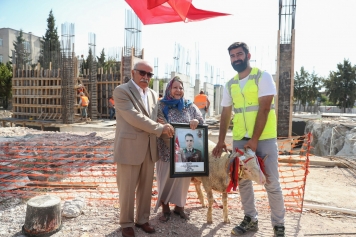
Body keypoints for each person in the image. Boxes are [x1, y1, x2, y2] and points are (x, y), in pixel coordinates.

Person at [212, 42, 286, 237]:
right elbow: (226, 113)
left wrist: (254, 140)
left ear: (248, 55)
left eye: (239, 54)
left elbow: (264, 108)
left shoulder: (263, 77)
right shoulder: (231, 84)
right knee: (243, 180)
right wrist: (221, 140)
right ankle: (250, 219)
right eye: (232, 56)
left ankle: (279, 225)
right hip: (239, 139)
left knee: (271, 181)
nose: (236, 58)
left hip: (263, 138)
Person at [113, 61, 174, 237]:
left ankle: (142, 220)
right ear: (133, 73)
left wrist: (167, 126)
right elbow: (134, 117)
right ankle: (126, 223)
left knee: (146, 188)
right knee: (127, 189)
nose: (146, 77)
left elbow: (159, 117)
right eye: (142, 73)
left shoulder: (154, 94)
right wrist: (159, 128)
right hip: (129, 148)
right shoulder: (122, 91)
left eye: (149, 75)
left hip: (149, 148)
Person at [154, 76, 204, 223]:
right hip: (166, 150)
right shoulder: (161, 105)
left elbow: (201, 120)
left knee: (183, 180)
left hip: (185, 153)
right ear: (169, 89)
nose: (178, 90)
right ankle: (165, 208)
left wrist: (196, 121)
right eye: (175, 87)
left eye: (181, 88)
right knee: (166, 179)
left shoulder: (189, 105)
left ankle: (179, 207)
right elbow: (160, 122)